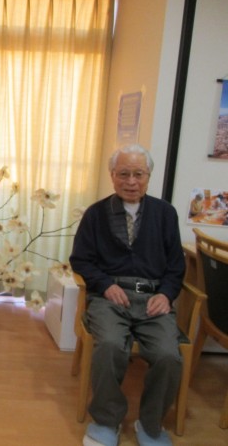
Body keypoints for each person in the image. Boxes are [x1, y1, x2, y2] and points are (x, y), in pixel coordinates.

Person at [69, 144, 185, 446]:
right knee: (109, 346)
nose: (131, 181)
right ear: (112, 175)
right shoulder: (96, 214)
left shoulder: (165, 214)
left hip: (153, 298)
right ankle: (107, 421)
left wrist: (167, 294)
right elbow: (80, 260)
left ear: (148, 177)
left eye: (138, 174)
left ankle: (151, 425)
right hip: (109, 296)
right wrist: (105, 284)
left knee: (168, 356)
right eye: (123, 174)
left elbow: (176, 266)